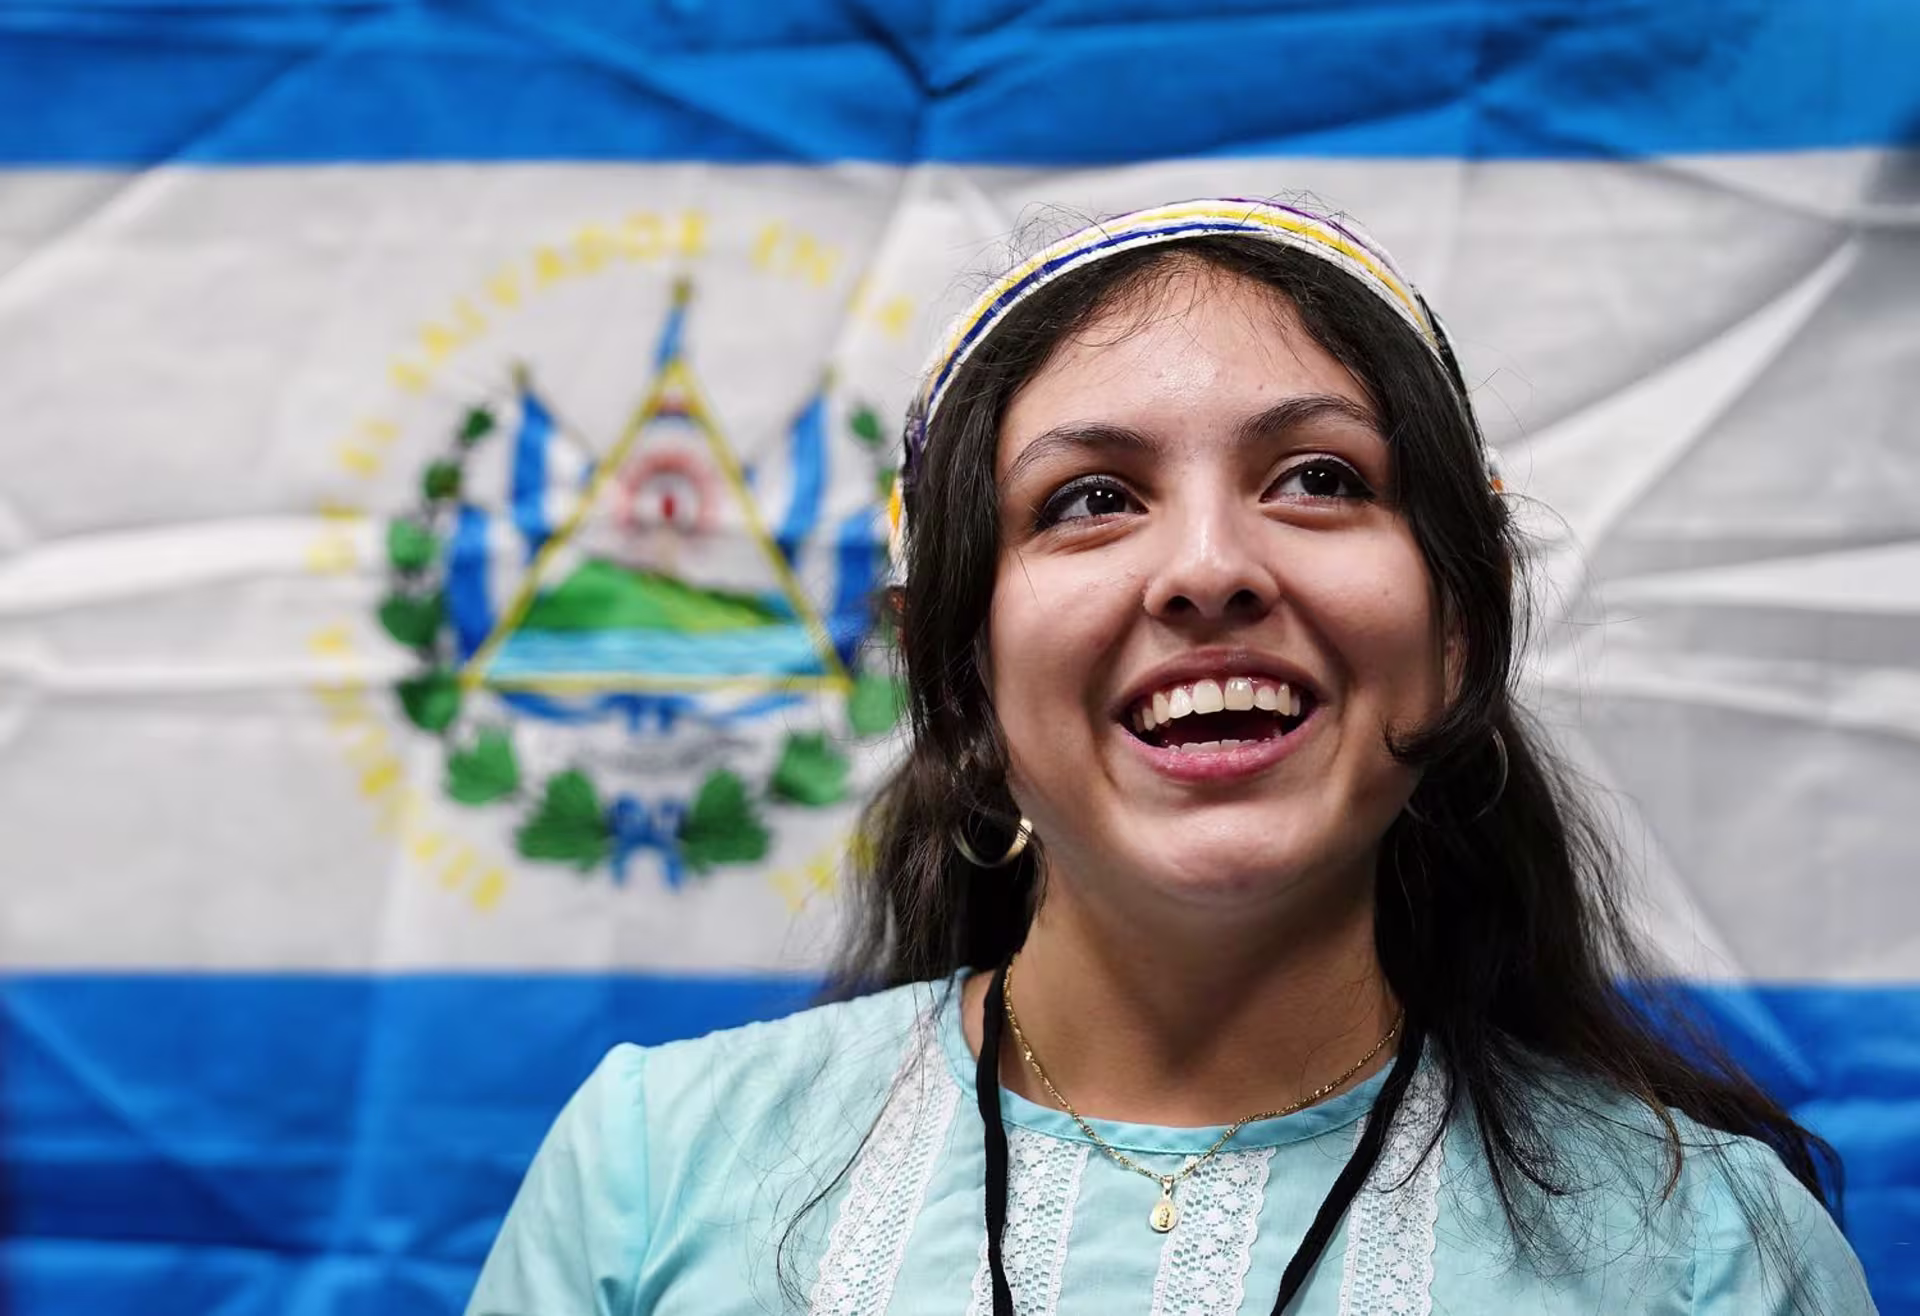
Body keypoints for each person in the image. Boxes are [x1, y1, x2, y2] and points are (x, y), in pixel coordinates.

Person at [466, 199, 1878, 1315]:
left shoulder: (1713, 1256)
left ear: (1460, 631)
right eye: (1090, 501)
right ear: (957, 676)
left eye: (1319, 479)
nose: (1207, 567)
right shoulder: (652, 1178)